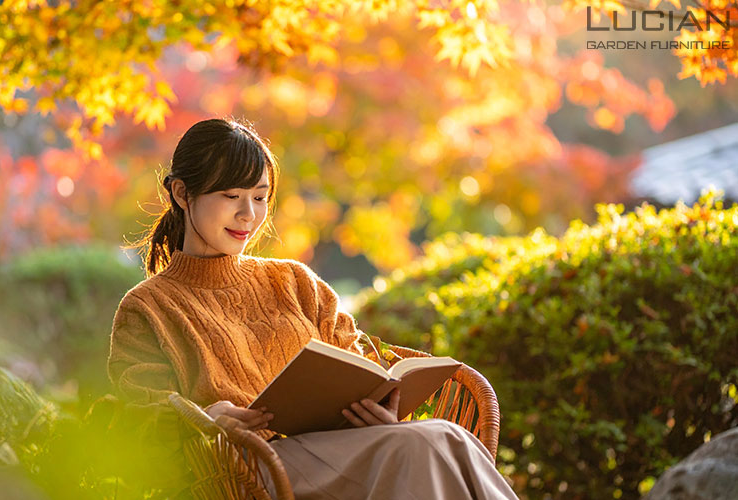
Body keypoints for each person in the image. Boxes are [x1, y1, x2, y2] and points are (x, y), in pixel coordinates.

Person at [107, 117, 518, 499]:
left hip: (343, 450)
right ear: (181, 193)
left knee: (447, 435)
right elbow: (134, 424)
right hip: (252, 474)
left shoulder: (294, 282)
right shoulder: (149, 306)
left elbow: (360, 366)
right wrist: (207, 417)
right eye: (231, 196)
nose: (248, 215)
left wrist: (380, 409)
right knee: (423, 443)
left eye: (260, 197)